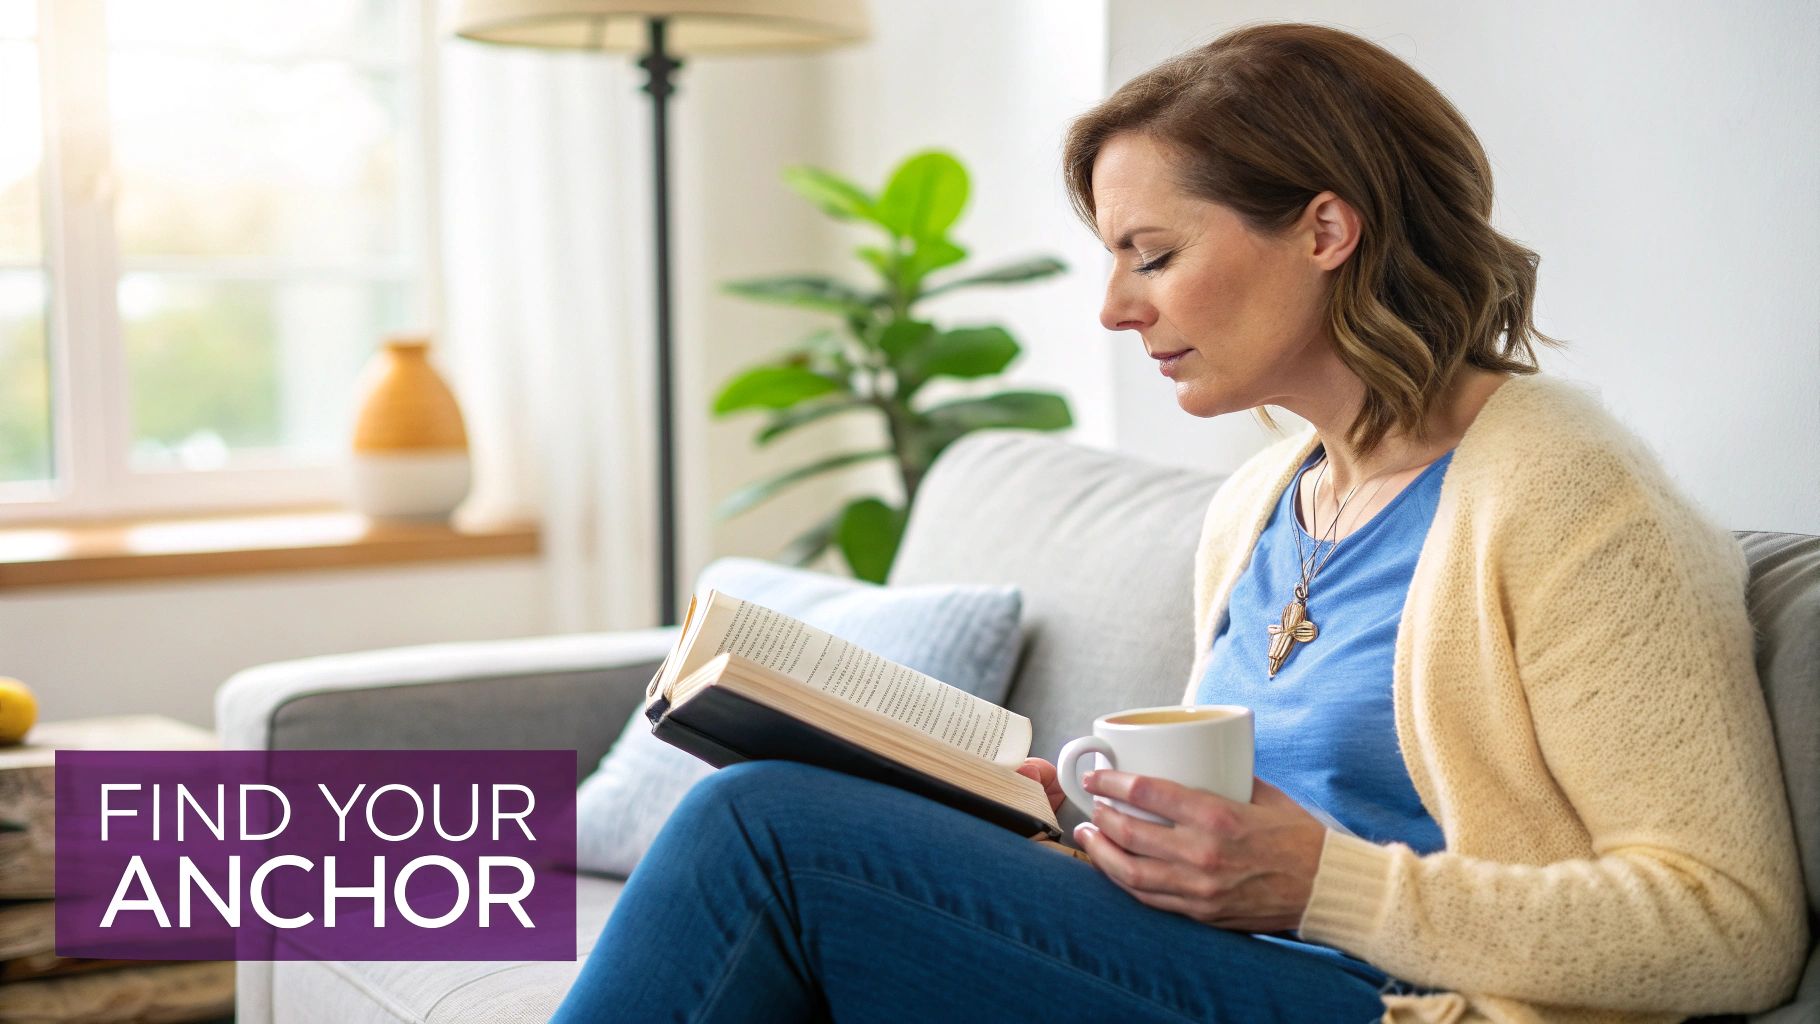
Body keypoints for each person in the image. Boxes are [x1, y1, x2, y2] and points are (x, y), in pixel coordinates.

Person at [553, 22, 1806, 1023]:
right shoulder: (1261, 503)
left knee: (759, 827)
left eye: (1149, 254)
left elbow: (1730, 927)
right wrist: (1089, 838)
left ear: (1324, 228)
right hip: (1222, 971)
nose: (1111, 307)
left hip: (1393, 1007)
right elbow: (1238, 841)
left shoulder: (1569, 495)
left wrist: (1326, 884)